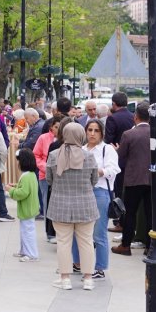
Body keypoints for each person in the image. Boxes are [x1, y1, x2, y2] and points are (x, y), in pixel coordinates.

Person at [45, 123, 100, 290]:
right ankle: (89, 279)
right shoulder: (88, 156)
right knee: (86, 242)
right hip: (85, 205)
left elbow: (49, 180)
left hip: (60, 205)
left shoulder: (54, 155)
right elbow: (94, 180)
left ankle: (65, 279)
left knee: (63, 242)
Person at [74, 119, 120, 280]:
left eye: (96, 130)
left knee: (98, 232)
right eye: (90, 130)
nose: (92, 133)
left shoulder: (107, 150)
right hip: (82, 191)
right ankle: (77, 262)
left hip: (100, 191)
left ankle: (99, 267)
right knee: (77, 229)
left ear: (102, 133)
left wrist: (98, 171)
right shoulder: (82, 149)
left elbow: (114, 169)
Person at [114, 104, 153, 256]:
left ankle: (125, 245)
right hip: (151, 177)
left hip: (133, 178)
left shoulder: (129, 134)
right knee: (151, 214)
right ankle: (150, 247)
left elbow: (121, 155)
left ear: (135, 117)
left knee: (130, 213)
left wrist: (117, 149)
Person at [5, 149, 40, 262]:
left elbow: (23, 193)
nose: (17, 163)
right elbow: (25, 188)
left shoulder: (26, 176)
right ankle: (24, 251)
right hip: (30, 209)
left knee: (27, 232)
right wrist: (15, 186)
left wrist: (11, 190)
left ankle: (31, 254)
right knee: (25, 232)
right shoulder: (31, 175)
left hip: (27, 210)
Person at [34, 117, 60, 238]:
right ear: (51, 127)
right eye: (56, 127)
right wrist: (45, 167)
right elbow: (36, 155)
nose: (58, 130)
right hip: (45, 175)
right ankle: (50, 233)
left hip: (61, 177)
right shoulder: (43, 138)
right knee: (47, 204)